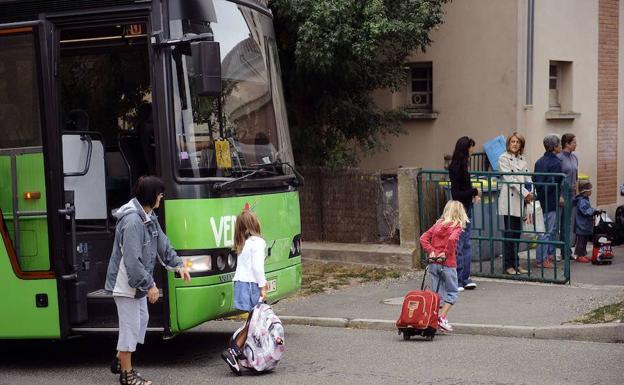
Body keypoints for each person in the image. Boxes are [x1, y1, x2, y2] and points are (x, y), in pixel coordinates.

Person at [105, 176, 192, 385]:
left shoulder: (148, 216)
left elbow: (162, 243)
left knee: (142, 320)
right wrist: (150, 285)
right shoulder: (133, 221)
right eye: (160, 195)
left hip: (137, 282)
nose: (161, 199)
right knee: (131, 326)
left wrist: (179, 265)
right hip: (126, 282)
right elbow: (132, 262)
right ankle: (127, 374)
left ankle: (119, 358)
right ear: (152, 196)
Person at [222, 210, 269, 376]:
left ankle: (238, 351)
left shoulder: (244, 242)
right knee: (254, 322)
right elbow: (257, 267)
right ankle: (234, 350)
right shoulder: (257, 242)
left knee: (252, 321)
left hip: (241, 284)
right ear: (254, 224)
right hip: (251, 285)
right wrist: (263, 285)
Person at [419, 200, 468, 332]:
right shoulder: (457, 227)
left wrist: (431, 251)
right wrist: (445, 254)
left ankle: (432, 320)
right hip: (447, 264)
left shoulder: (437, 224)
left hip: (433, 263)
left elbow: (423, 238)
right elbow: (452, 240)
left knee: (437, 294)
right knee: (452, 292)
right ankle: (442, 317)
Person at [497, 132, 534, 275]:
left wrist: (532, 192)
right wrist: (526, 193)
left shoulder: (522, 159)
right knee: (510, 234)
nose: (515, 144)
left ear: (521, 145)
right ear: (508, 143)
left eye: (518, 142)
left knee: (517, 234)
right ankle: (508, 265)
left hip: (521, 200)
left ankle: (516, 263)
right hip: (510, 200)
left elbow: (528, 177)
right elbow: (510, 179)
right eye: (512, 141)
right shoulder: (503, 158)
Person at [448, 136, 480, 290]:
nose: (473, 150)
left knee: (465, 243)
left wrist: (473, 193)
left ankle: (465, 277)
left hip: (466, 207)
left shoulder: (463, 166)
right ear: (466, 148)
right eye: (471, 147)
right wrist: (474, 191)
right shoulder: (456, 167)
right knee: (460, 244)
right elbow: (457, 193)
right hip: (460, 209)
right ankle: (459, 278)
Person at [533, 134, 564, 269]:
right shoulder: (556, 163)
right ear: (554, 147)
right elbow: (555, 182)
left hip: (540, 199)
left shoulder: (539, 161)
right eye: (559, 145)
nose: (560, 147)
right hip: (550, 200)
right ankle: (542, 259)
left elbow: (536, 180)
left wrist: (539, 195)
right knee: (547, 231)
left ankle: (545, 256)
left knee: (542, 231)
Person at [558, 133, 579, 251]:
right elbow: (556, 178)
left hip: (571, 193)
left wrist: (577, 193)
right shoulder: (559, 158)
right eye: (574, 142)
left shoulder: (574, 157)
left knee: (568, 223)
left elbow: (576, 177)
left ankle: (565, 250)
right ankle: (556, 250)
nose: (576, 144)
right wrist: (559, 196)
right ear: (567, 144)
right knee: (558, 223)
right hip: (561, 193)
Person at [573, 181, 599, 263]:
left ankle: (583, 254)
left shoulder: (585, 200)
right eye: (590, 190)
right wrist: (594, 210)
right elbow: (585, 211)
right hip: (581, 225)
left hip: (585, 225)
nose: (591, 191)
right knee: (580, 242)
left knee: (584, 241)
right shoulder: (582, 201)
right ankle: (579, 255)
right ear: (585, 191)